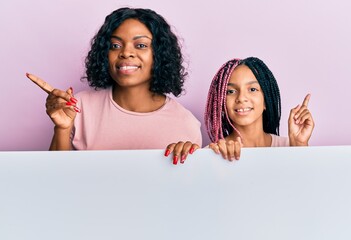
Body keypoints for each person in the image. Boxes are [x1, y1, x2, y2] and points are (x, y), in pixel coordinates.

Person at [26, 7, 202, 150]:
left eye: (140, 45)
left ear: (160, 55)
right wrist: (62, 129)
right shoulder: (79, 107)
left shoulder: (185, 123)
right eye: (115, 45)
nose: (125, 53)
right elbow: (56, 178)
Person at [166, 57, 314, 163]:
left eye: (253, 89)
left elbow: (307, 193)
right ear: (221, 103)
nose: (241, 98)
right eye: (230, 91)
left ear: (266, 101)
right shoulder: (211, 154)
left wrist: (299, 146)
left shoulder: (290, 147)